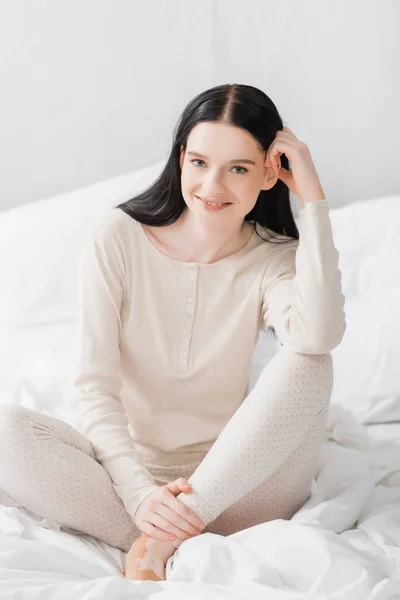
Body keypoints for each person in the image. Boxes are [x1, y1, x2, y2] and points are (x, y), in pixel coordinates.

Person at [0, 83, 346, 582]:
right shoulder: (116, 238)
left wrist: (313, 199)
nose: (212, 186)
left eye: (239, 169)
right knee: (7, 430)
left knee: (312, 361)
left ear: (271, 173)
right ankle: (168, 530)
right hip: (135, 486)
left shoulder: (274, 257)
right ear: (181, 158)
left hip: (243, 485)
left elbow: (318, 335)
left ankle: (164, 539)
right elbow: (95, 389)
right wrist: (142, 497)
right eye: (200, 162)